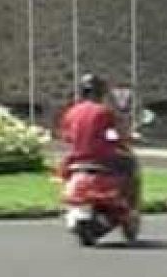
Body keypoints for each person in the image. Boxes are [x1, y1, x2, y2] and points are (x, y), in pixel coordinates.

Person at [59, 73, 140, 207]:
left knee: (62, 172)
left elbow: (67, 137)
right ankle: (130, 205)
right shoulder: (103, 111)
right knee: (131, 163)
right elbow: (116, 134)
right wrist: (126, 139)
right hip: (102, 157)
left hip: (75, 158)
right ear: (101, 93)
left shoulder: (71, 112)